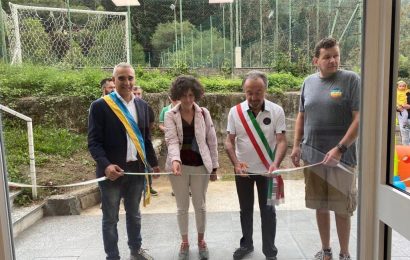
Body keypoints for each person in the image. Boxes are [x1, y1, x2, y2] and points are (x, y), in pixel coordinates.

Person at [290, 37, 360, 260]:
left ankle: (345, 253)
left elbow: (359, 119)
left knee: (341, 208)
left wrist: (339, 149)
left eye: (336, 56)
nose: (333, 60)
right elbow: (302, 115)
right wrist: (296, 146)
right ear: (316, 60)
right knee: (320, 206)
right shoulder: (308, 82)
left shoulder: (351, 80)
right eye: (327, 57)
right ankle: (326, 250)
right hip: (313, 157)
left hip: (342, 158)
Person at [88, 62, 160, 260]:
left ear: (134, 80)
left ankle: (136, 250)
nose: (126, 82)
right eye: (121, 78)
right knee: (110, 218)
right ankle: (112, 256)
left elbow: (145, 139)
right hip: (111, 172)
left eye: (130, 78)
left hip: (135, 170)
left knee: (134, 214)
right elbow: (94, 143)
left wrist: (153, 163)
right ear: (114, 80)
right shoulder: (100, 106)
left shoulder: (143, 106)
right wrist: (106, 165)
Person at [225, 70, 287, 260]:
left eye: (258, 92)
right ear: (244, 91)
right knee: (245, 210)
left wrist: (275, 164)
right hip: (243, 172)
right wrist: (236, 164)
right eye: (249, 92)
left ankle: (270, 251)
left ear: (265, 90)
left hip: (268, 172)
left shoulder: (277, 111)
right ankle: (247, 245)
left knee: (268, 211)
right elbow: (229, 141)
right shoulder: (235, 112)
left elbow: (282, 141)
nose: (253, 97)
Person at [164, 75, 219, 260]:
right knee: (182, 206)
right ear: (177, 96)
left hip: (200, 166)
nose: (188, 99)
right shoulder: (170, 114)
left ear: (195, 94)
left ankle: (201, 241)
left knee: (200, 205)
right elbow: (171, 140)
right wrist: (175, 160)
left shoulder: (204, 113)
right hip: (178, 167)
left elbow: (212, 140)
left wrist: (214, 167)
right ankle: (185, 241)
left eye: (191, 95)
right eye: (184, 95)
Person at [132, 85, 158, 196]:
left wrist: (144, 132)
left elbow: (151, 123)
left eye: (139, 93)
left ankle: (148, 187)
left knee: (147, 166)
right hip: (130, 145)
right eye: (135, 93)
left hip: (143, 142)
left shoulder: (146, 107)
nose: (137, 95)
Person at [396, 80, 410, 145]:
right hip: (402, 115)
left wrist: (409, 106)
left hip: (407, 114)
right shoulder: (396, 93)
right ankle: (406, 151)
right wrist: (397, 107)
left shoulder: (407, 91)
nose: (402, 87)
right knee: (405, 137)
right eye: (400, 86)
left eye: (404, 86)